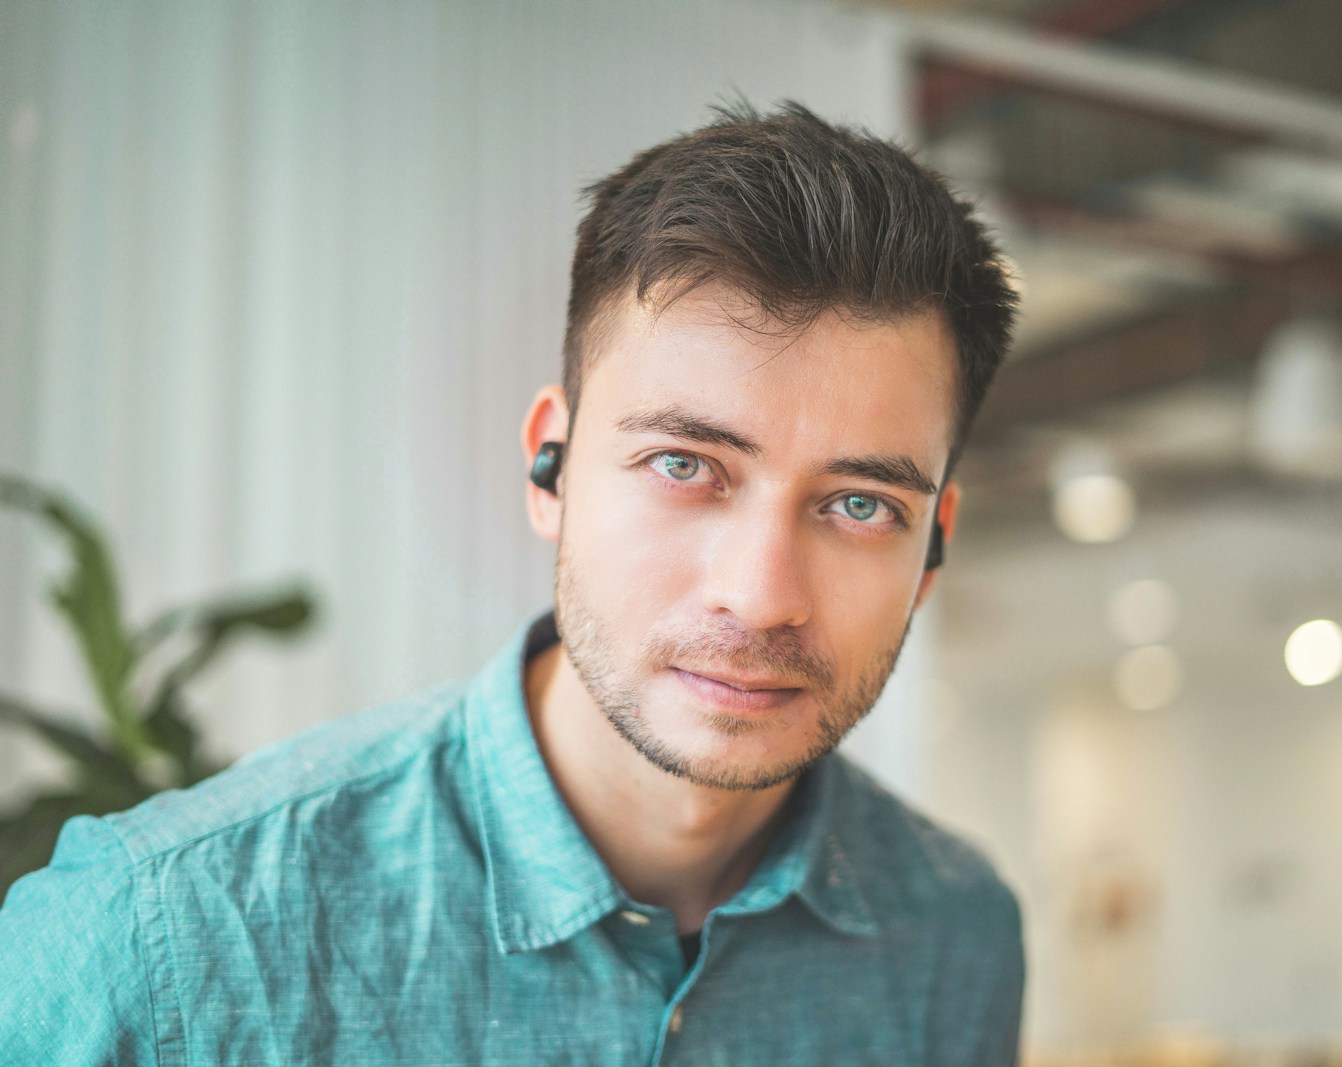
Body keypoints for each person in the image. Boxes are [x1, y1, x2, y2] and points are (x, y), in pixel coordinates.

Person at [0, 102, 1023, 1065]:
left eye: (857, 505)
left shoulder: (955, 931)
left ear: (931, 546)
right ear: (552, 465)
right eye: (683, 465)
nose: (760, 597)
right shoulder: (154, 932)